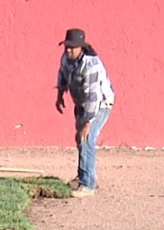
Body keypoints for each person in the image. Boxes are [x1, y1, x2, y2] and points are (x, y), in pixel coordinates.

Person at [55, 28, 115, 198]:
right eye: (67, 46)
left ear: (81, 47)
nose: (68, 50)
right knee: (79, 139)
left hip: (99, 105)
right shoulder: (66, 58)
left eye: (72, 47)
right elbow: (62, 75)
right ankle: (83, 175)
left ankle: (88, 185)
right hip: (81, 103)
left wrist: (87, 123)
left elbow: (93, 98)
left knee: (86, 138)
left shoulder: (91, 65)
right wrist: (60, 95)